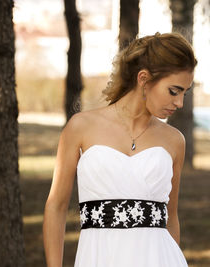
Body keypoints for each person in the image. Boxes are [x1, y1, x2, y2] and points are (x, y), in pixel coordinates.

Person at [43, 32, 197, 267]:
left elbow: (171, 217)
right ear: (144, 79)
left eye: (185, 93)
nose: (180, 103)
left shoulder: (174, 140)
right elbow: (56, 206)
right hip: (97, 258)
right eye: (174, 91)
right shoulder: (81, 127)